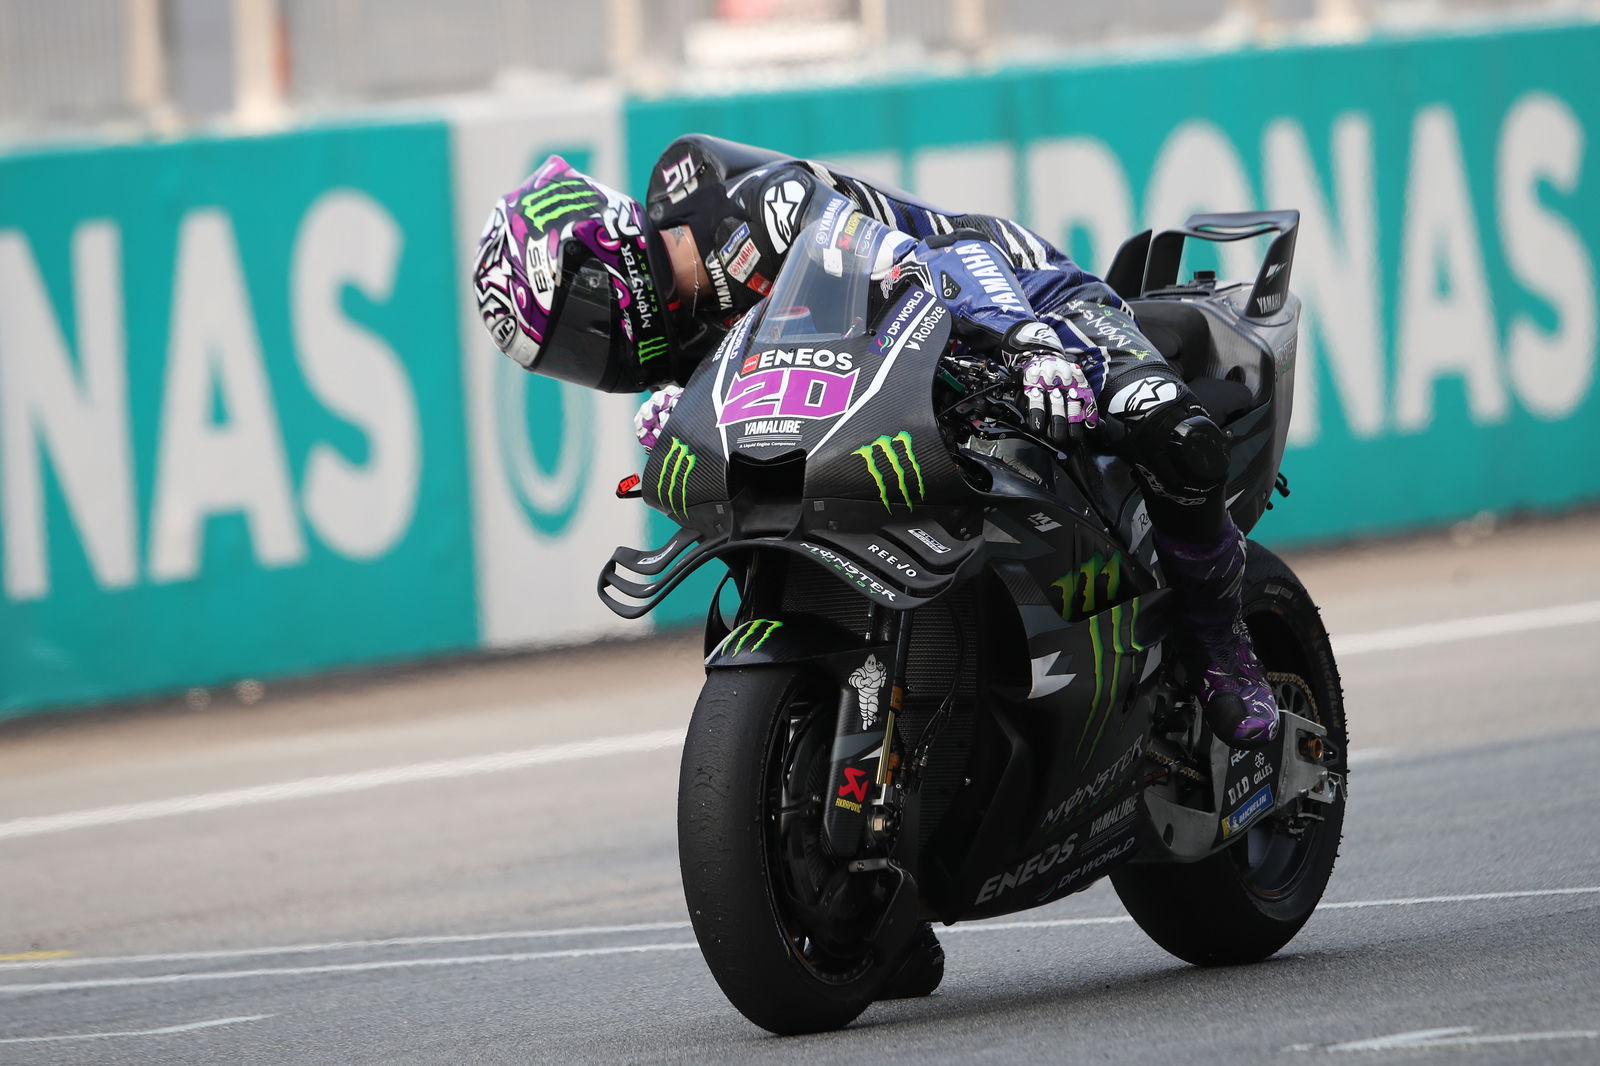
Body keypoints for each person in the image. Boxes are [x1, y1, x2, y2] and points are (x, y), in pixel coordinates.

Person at [472, 135, 1283, 1000]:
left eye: (577, 334)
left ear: (607, 268)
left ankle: (1225, 649)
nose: (587, 365)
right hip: (919, 386)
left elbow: (918, 261)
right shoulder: (679, 341)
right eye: (560, 360)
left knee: (1164, 425)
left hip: (1008, 291)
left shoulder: (742, 206)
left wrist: (1029, 338)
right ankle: (888, 884)